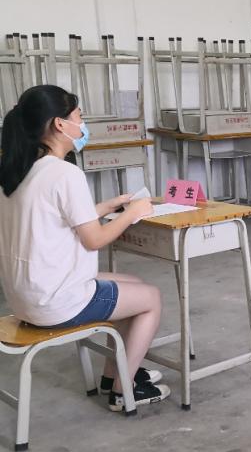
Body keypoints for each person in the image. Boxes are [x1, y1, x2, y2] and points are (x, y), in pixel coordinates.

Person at [0, 85, 170, 412]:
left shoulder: (18, 172)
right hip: (56, 302)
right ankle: (123, 392)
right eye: (79, 117)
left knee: (132, 284)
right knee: (151, 299)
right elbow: (94, 240)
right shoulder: (65, 173)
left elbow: (51, 219)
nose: (82, 125)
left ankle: (114, 375)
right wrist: (132, 212)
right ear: (60, 124)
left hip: (25, 298)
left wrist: (106, 207)